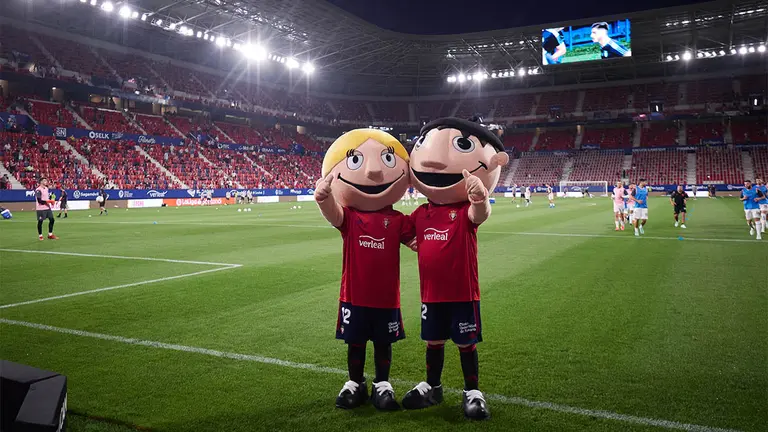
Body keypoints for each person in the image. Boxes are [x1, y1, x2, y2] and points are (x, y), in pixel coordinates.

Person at [402, 116, 509, 420]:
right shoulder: (422, 213)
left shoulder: (463, 211)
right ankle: (432, 387)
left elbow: (479, 214)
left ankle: (471, 391)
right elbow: (400, 229)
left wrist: (479, 197)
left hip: (463, 292)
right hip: (431, 294)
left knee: (466, 343)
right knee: (433, 341)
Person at [314, 129, 413, 411]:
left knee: (384, 343)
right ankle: (355, 383)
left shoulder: (397, 220)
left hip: (386, 298)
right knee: (354, 343)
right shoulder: (351, 217)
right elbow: (334, 213)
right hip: (354, 297)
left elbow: (420, 239)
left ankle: (382, 384)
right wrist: (324, 198)